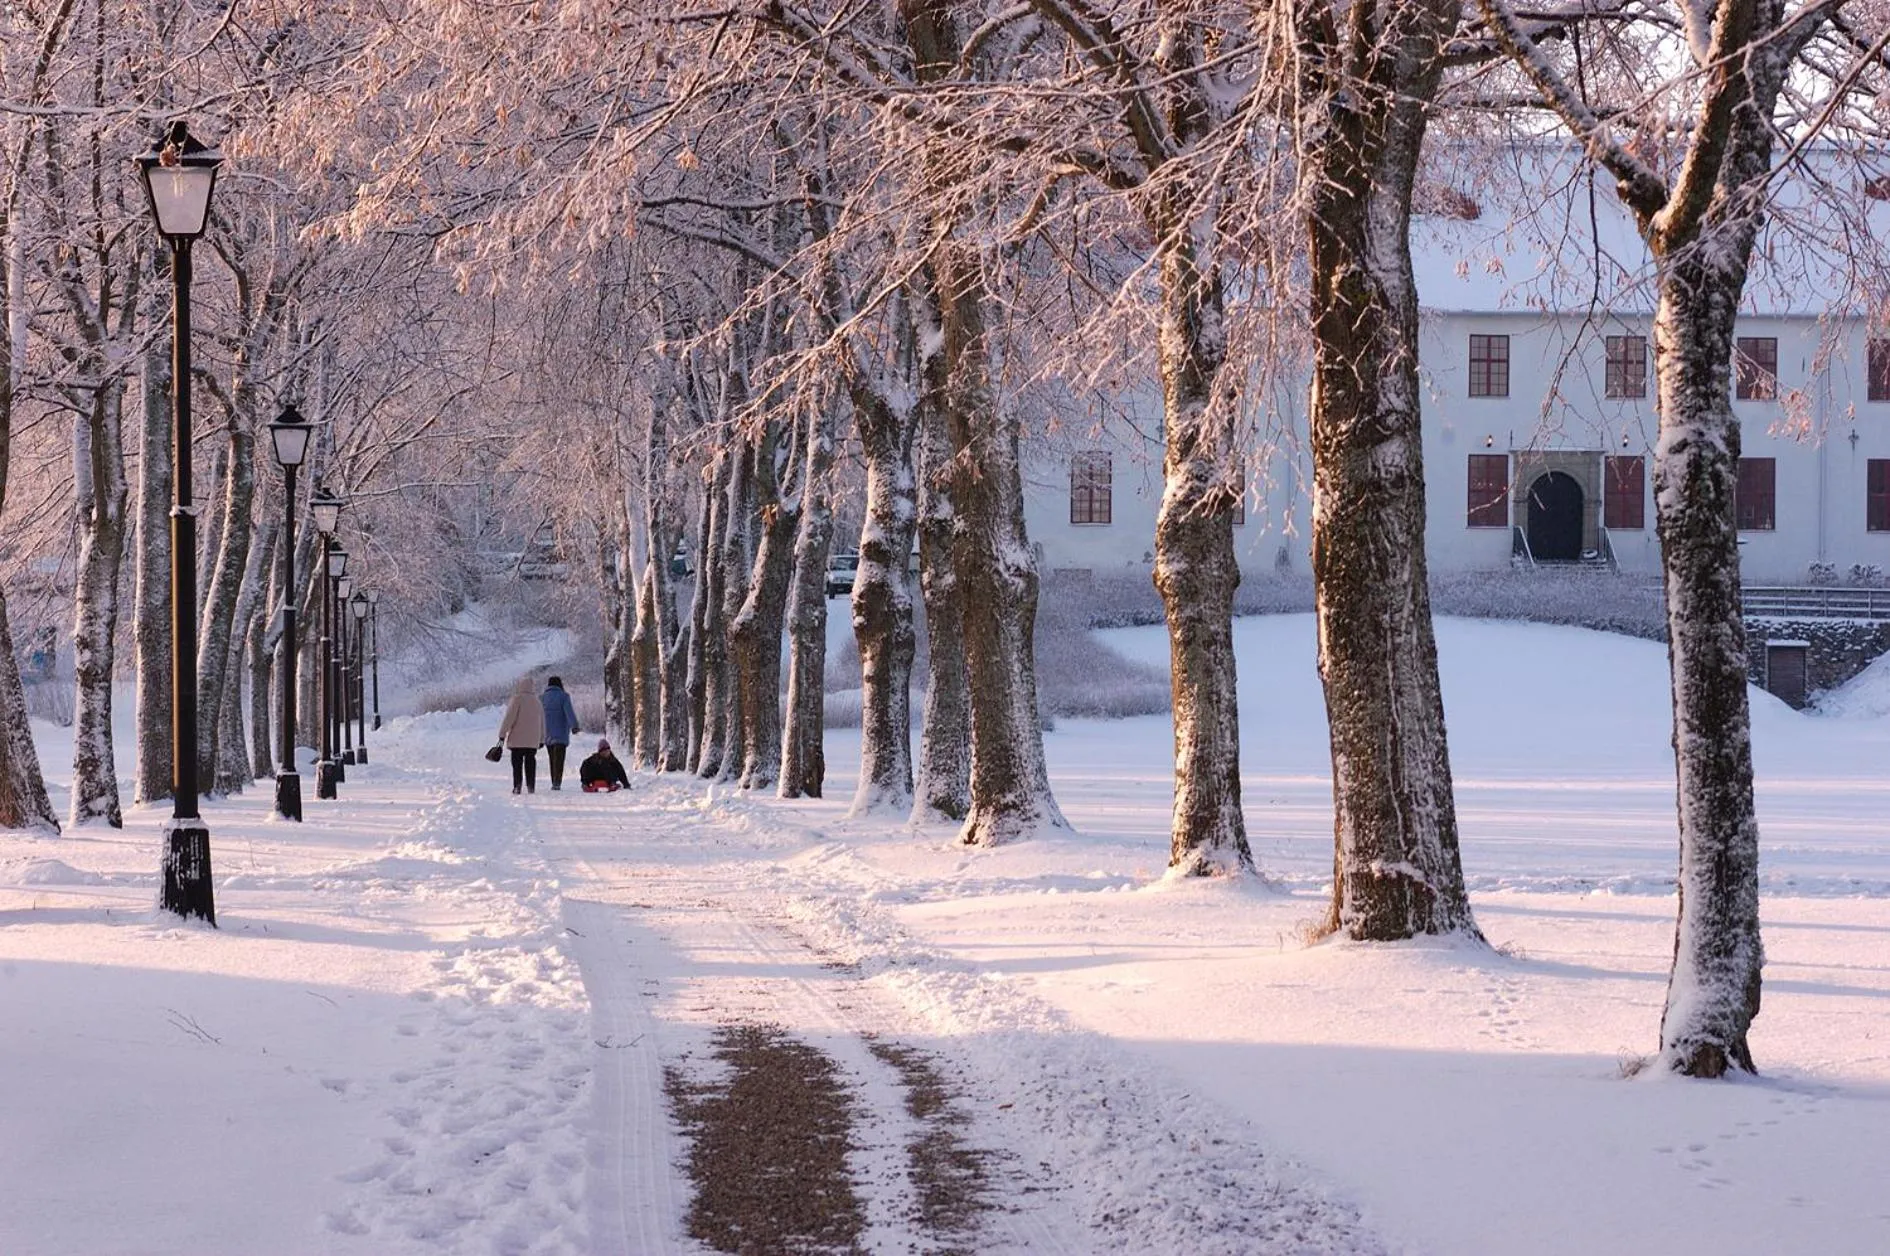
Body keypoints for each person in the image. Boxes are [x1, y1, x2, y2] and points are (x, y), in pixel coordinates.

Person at [497, 675, 547, 794]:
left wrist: (502, 733)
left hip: (517, 740)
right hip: (532, 741)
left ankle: (517, 785)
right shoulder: (537, 701)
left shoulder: (517, 699)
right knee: (530, 762)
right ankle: (531, 786)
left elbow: (509, 718)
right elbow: (542, 722)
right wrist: (542, 739)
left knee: (517, 763)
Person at [539, 675, 580, 790]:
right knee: (559, 759)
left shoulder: (542, 698)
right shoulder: (564, 696)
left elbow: (538, 715)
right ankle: (557, 782)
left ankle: (554, 781)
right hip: (561, 733)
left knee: (552, 758)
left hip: (547, 732)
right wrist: (574, 726)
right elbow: (569, 712)